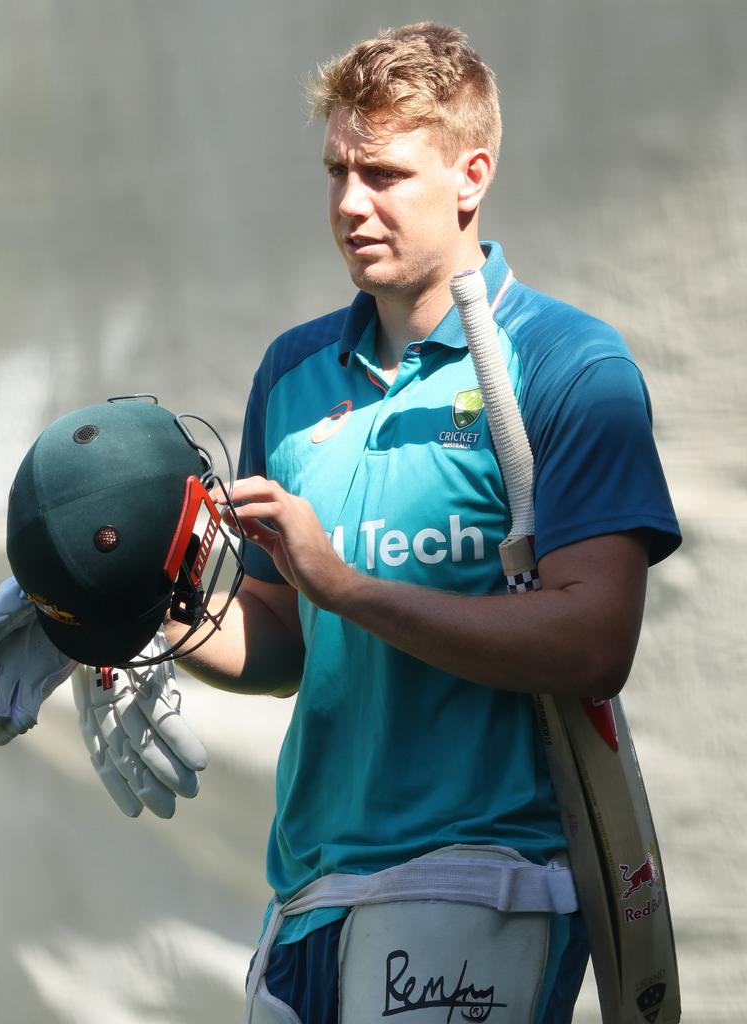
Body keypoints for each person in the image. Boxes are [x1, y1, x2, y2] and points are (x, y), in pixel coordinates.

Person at [159, 20, 681, 1024]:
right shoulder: (293, 371)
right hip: (307, 888)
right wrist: (143, 610)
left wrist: (342, 583)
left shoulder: (571, 363)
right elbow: (282, 639)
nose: (350, 204)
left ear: (470, 175)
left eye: (385, 174)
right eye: (336, 172)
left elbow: (593, 640)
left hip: (482, 877)